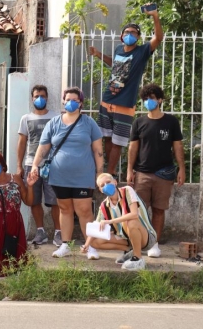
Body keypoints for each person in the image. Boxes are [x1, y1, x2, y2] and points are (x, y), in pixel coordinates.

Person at [88, 5, 164, 179]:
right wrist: (99, 55)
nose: (130, 34)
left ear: (138, 37)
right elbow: (115, 64)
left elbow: (158, 38)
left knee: (118, 141)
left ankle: (111, 173)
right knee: (107, 138)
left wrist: (155, 17)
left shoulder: (142, 51)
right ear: (122, 36)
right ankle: (106, 170)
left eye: (134, 33)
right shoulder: (118, 49)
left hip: (125, 103)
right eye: (127, 32)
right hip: (107, 100)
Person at [29, 87, 104, 259]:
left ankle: (90, 246)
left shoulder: (89, 123)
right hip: (59, 175)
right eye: (67, 99)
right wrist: (34, 166)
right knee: (64, 209)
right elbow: (43, 148)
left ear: (81, 103)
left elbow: (98, 150)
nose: (70, 102)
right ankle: (65, 245)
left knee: (84, 210)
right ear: (63, 101)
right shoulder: (54, 123)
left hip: (83, 175)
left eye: (74, 100)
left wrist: (99, 173)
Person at [126, 84, 185, 258]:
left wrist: (181, 168)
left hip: (164, 173)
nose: (148, 102)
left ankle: (154, 244)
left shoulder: (171, 121)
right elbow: (132, 148)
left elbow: (178, 147)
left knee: (159, 210)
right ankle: (140, 243)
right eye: (145, 99)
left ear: (160, 100)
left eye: (152, 98)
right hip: (142, 173)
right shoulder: (139, 122)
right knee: (139, 211)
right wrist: (129, 170)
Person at [81, 173, 157, 271]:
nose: (106, 186)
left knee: (131, 221)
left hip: (146, 237)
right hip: (126, 238)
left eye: (108, 182)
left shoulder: (127, 190)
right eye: (102, 185)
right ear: (100, 190)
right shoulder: (104, 205)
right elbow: (96, 227)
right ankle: (128, 251)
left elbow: (134, 214)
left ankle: (138, 258)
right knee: (94, 242)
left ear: (115, 182)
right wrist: (86, 246)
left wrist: (109, 221)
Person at [17, 85, 61, 246]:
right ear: (32, 98)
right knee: (34, 200)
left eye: (42, 95)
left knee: (55, 201)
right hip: (31, 165)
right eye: (36, 96)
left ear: (47, 97)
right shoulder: (26, 118)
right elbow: (22, 143)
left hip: (53, 165)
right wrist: (19, 166)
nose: (39, 98)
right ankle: (40, 231)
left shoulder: (56, 117)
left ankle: (58, 233)